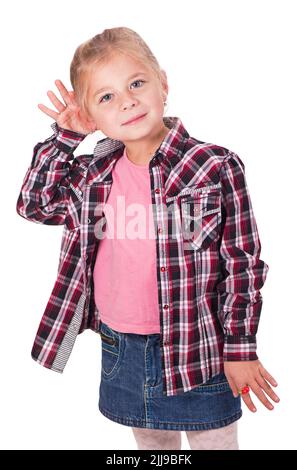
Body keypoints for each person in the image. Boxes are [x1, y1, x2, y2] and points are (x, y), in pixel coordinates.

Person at [16, 27, 280, 450]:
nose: (127, 101)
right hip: (123, 346)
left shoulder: (213, 166)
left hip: (200, 347)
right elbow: (35, 204)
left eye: (136, 83)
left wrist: (241, 347)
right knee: (154, 450)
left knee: (214, 442)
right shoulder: (92, 175)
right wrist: (66, 137)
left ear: (163, 84)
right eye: (106, 98)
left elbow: (242, 263)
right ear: (92, 117)